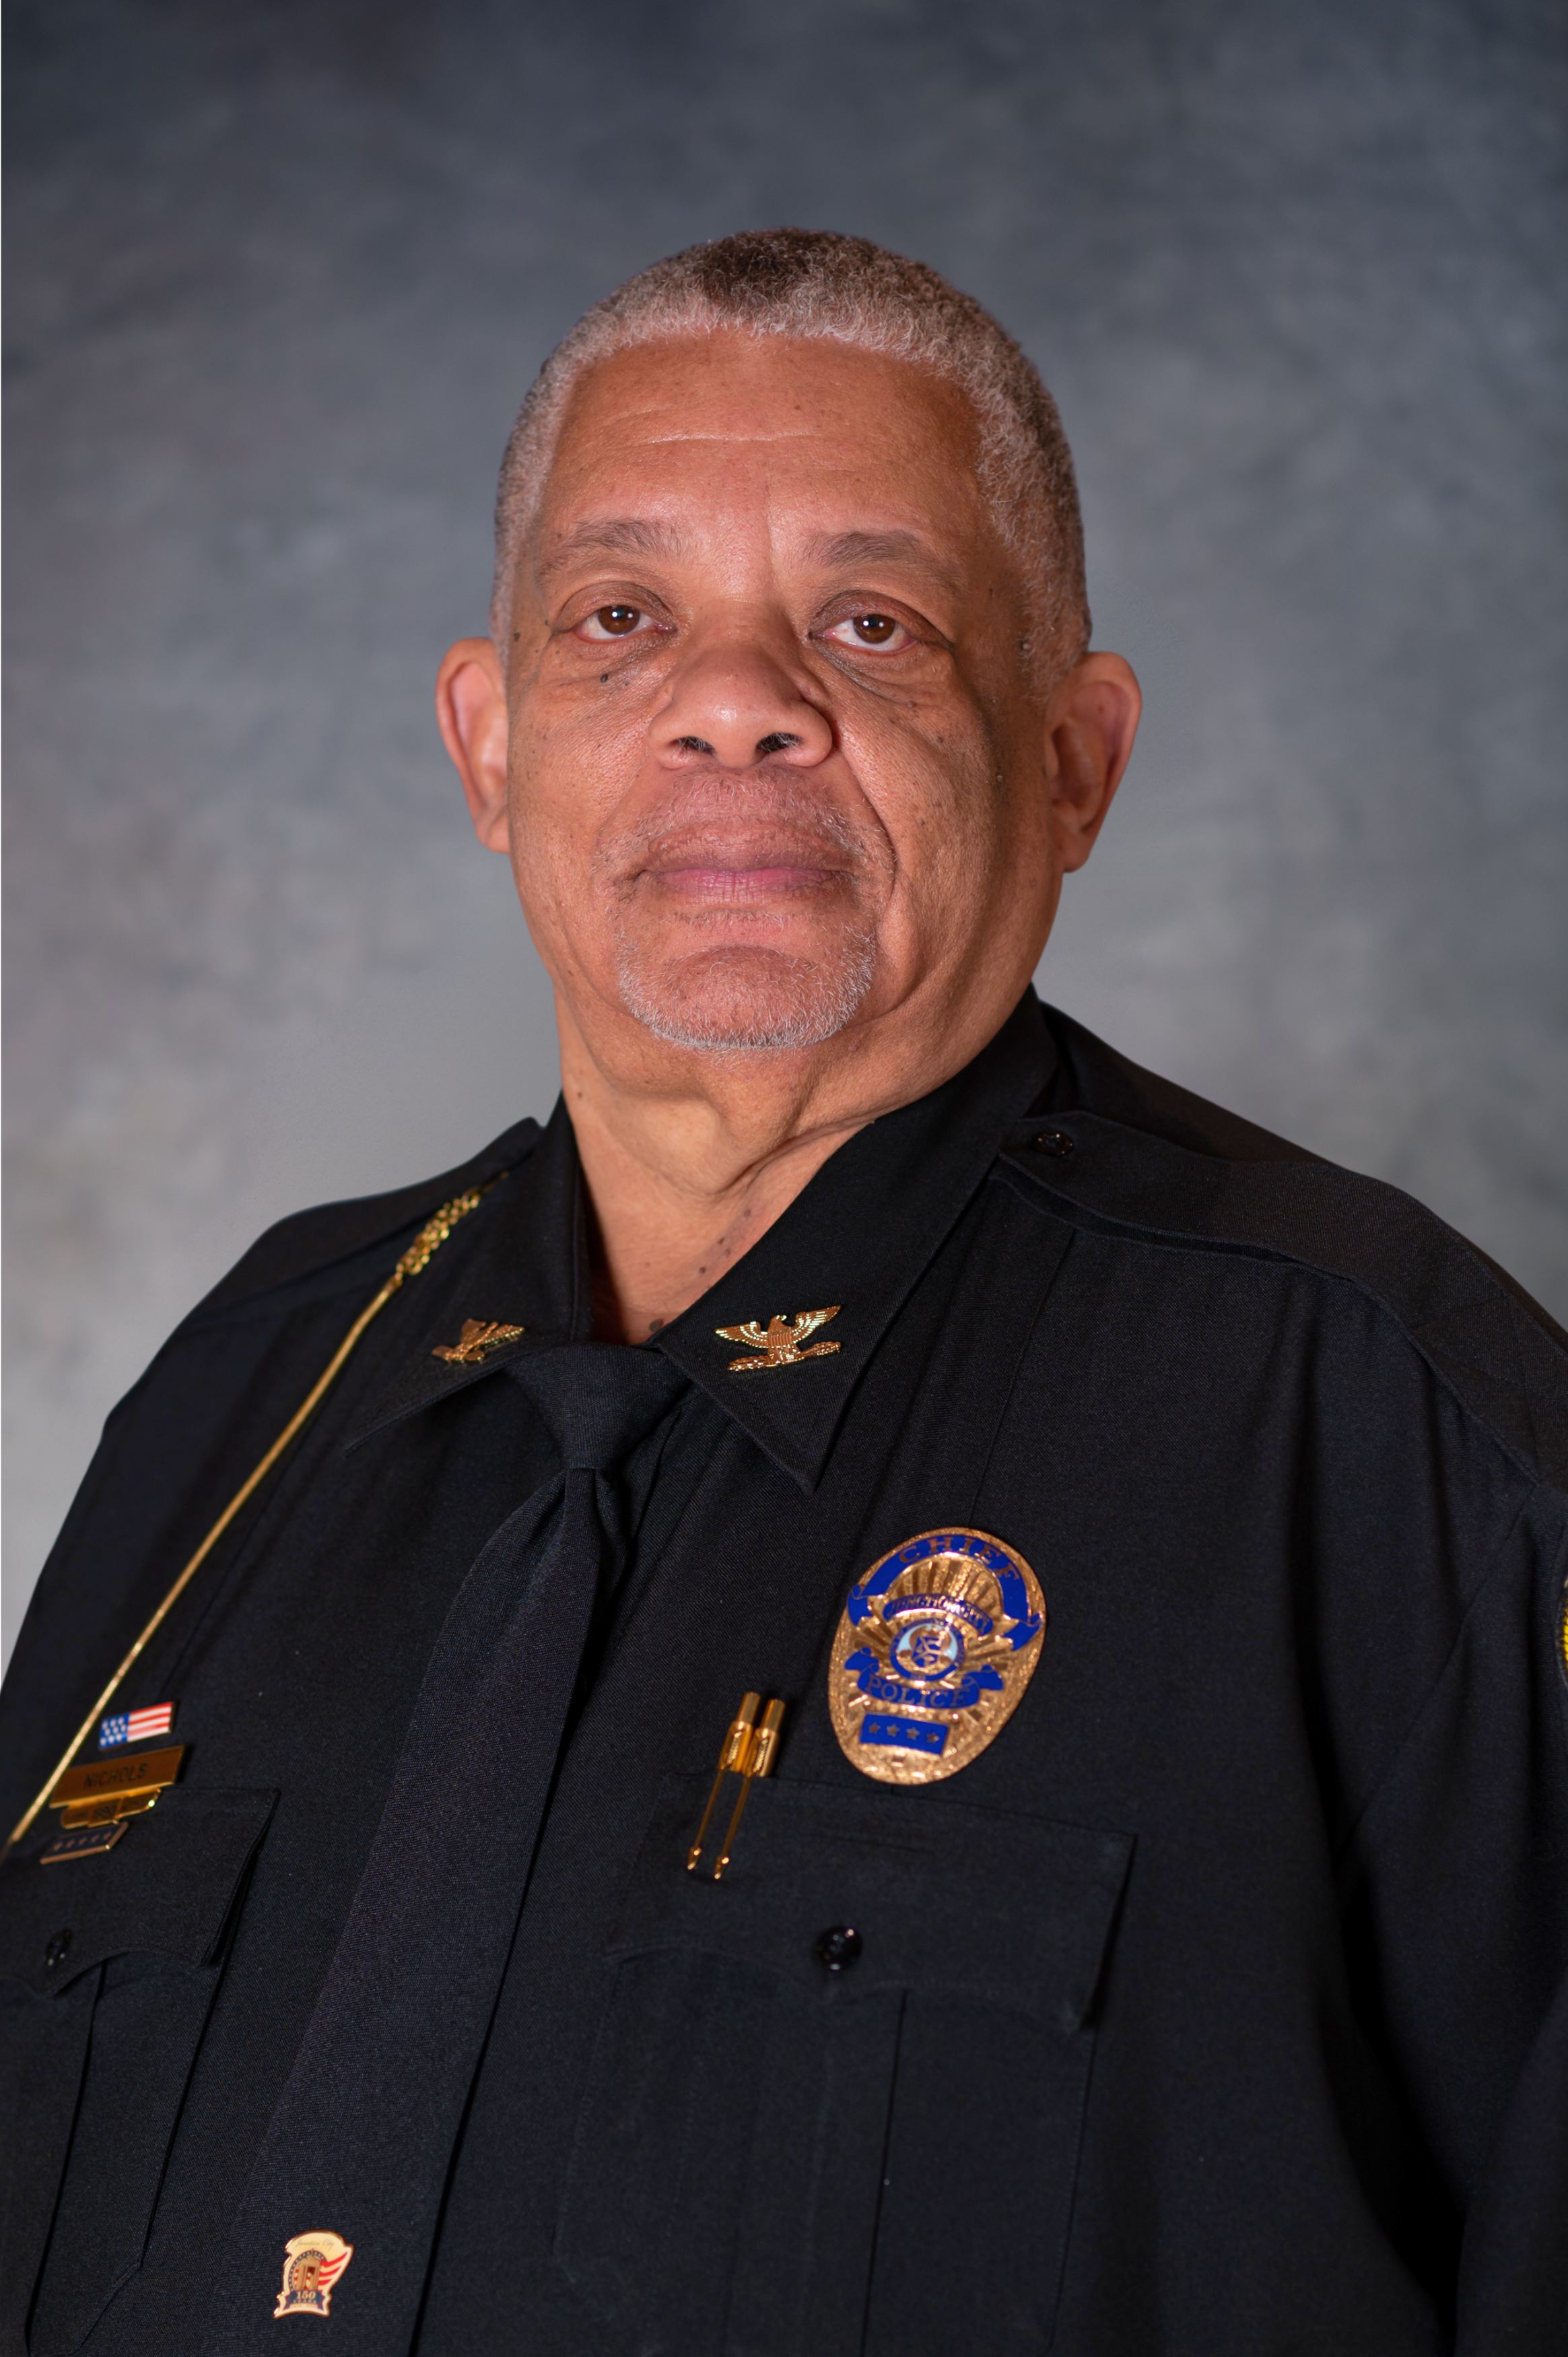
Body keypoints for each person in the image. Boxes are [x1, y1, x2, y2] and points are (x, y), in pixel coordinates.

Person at [1, 228, 1563, 2357]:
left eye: (870, 618)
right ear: (490, 740)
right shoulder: (248, 1387)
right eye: (622, 617)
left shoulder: (1393, 1434)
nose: (736, 698)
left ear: (1072, 757)